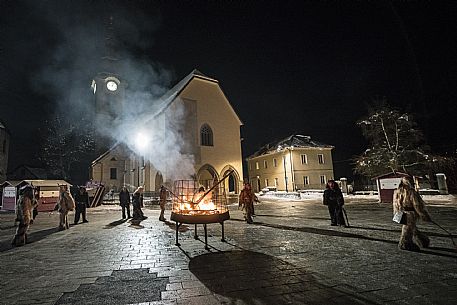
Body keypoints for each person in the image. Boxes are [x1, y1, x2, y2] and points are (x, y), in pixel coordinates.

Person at [393, 176, 432, 251]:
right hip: (410, 213)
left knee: (412, 228)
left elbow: (396, 204)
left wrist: (397, 212)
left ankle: (422, 241)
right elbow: (417, 205)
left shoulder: (397, 191)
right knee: (407, 229)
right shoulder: (411, 192)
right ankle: (404, 244)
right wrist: (424, 215)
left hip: (402, 212)